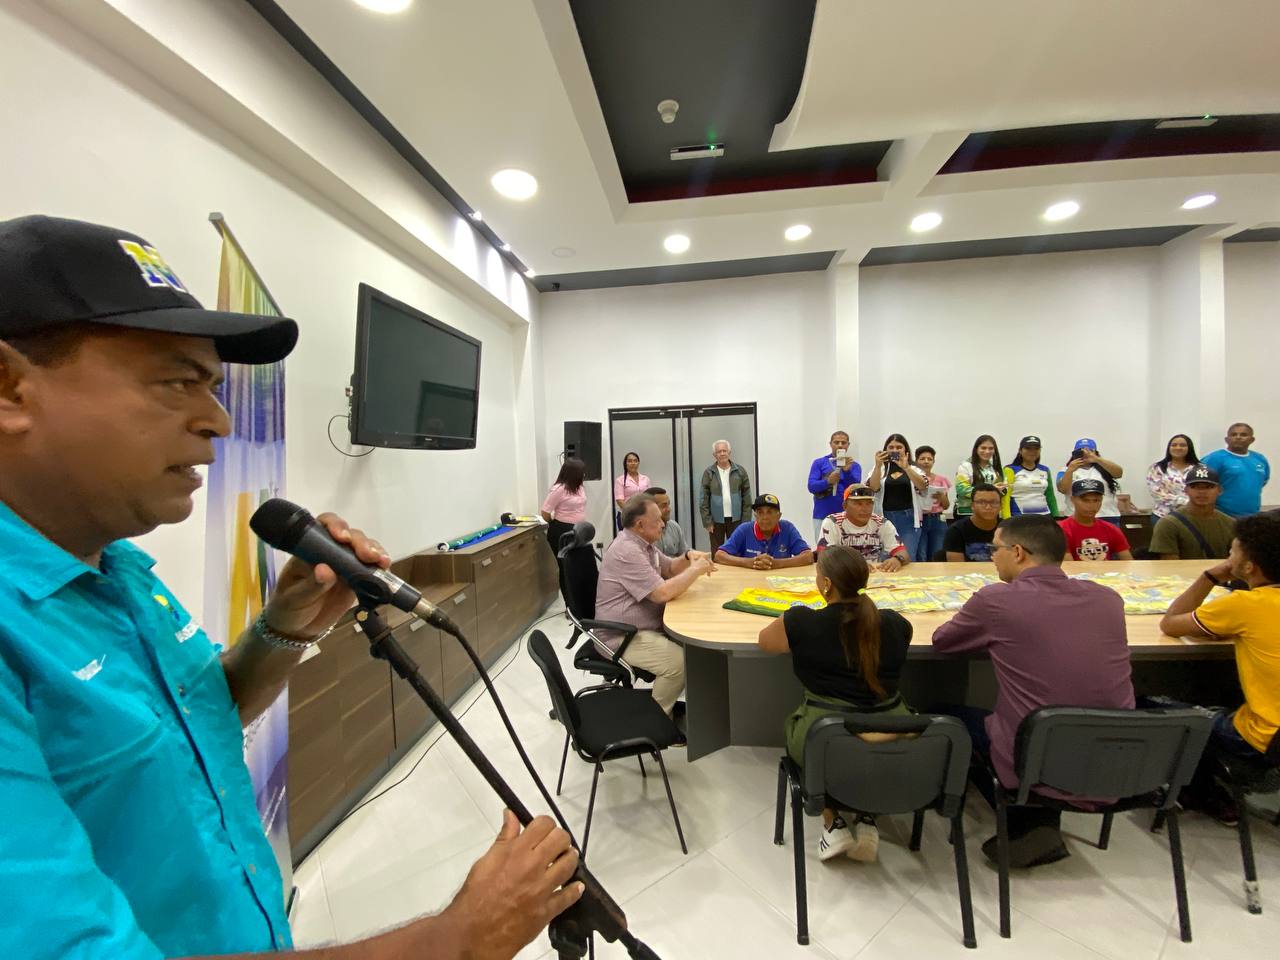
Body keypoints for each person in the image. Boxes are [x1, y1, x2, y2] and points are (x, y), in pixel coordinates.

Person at [0, 215, 582, 960]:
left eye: (214, 384)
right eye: (177, 380)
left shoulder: (120, 571)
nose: (216, 418)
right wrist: (454, 942)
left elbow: (195, 723)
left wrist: (286, 625)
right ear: (9, 388)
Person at [932, 516, 1134, 867]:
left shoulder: (997, 600)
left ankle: (1024, 815)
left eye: (996, 549)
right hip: (1117, 762)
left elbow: (942, 643)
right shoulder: (1108, 599)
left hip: (1036, 755)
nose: (992, 557)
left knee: (946, 713)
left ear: (1019, 553)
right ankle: (1037, 819)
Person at [757, 546, 913, 863]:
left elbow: (766, 643)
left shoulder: (801, 621)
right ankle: (868, 816)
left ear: (825, 584)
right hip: (893, 730)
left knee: (809, 737)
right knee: (867, 752)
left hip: (826, 735)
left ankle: (833, 821)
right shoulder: (896, 624)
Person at [1156, 512, 1280, 824]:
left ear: (1248, 566)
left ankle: (1203, 794)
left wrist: (1209, 576)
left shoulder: (1245, 605)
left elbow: (1171, 623)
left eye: (1232, 551)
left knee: (1164, 709)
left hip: (1265, 737)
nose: (1228, 556)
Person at [595, 494, 716, 715]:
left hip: (643, 627)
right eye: (658, 519)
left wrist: (689, 556)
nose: (663, 523)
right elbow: (661, 593)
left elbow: (669, 568)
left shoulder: (643, 544)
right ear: (640, 524)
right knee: (678, 664)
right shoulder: (627, 550)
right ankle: (656, 720)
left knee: (696, 648)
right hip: (621, 636)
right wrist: (695, 570)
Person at [865, 433, 929, 562]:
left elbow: (923, 486)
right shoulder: (881, 468)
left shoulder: (914, 468)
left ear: (905, 450)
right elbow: (873, 488)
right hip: (884, 518)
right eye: (891, 447)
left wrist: (906, 467)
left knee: (907, 557)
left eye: (899, 447)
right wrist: (878, 465)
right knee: (884, 558)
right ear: (885, 449)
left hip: (908, 519)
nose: (894, 450)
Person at [1148, 465, 1236, 560]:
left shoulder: (1230, 524)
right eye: (1194, 487)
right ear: (1186, 490)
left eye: (1208, 487)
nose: (1201, 491)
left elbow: (1235, 562)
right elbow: (1169, 566)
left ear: (1219, 490)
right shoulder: (1169, 524)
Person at [817, 485, 910, 572]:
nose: (865, 509)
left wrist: (897, 559)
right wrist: (855, 565)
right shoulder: (833, 522)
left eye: (869, 503)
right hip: (844, 575)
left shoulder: (881, 523)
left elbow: (902, 552)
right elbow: (824, 556)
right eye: (858, 504)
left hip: (874, 574)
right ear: (845, 506)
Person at [715, 494, 813, 569]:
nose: (765, 517)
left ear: (779, 516)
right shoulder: (744, 529)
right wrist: (751, 562)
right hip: (749, 583)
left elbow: (808, 556)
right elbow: (719, 556)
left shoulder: (787, 528)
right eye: (760, 512)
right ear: (755, 516)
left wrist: (775, 564)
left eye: (769, 512)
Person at [541, 457, 587, 602]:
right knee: (567, 568)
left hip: (578, 531)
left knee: (579, 567)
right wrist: (555, 524)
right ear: (572, 473)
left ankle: (580, 600)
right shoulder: (559, 489)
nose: (584, 475)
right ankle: (570, 605)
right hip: (562, 531)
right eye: (581, 472)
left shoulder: (579, 487)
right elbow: (545, 512)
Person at [1203, 422, 1271, 518]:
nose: (1238, 437)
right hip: (1221, 515)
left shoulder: (1260, 459)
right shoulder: (1215, 458)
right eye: (1233, 434)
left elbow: (1263, 482)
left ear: (1252, 440)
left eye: (1243, 435)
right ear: (1227, 439)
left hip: (1252, 516)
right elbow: (1201, 485)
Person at [807, 430, 862, 544]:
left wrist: (847, 473)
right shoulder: (819, 463)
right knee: (823, 551)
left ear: (848, 445)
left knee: (847, 550)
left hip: (847, 516)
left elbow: (855, 490)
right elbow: (811, 486)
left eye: (843, 442)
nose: (840, 445)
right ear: (830, 444)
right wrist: (827, 482)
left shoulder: (854, 466)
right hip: (822, 515)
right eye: (836, 442)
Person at [1058, 478, 1133, 560]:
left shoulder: (1111, 529)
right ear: (1072, 500)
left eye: (1096, 500)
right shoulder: (1061, 530)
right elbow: (1068, 566)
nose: (1091, 505)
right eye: (1085, 500)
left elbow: (1128, 562)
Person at [699, 439, 752, 553]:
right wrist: (707, 521)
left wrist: (746, 521)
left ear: (729, 452)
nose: (722, 453)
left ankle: (737, 570)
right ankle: (718, 571)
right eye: (719, 451)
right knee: (717, 551)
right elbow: (703, 499)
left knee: (737, 549)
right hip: (716, 520)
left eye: (724, 450)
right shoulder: (709, 473)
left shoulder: (740, 471)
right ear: (714, 455)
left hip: (736, 519)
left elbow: (747, 497)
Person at [1056, 438, 1125, 524]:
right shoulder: (1065, 470)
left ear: (1096, 452)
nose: (1085, 454)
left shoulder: (1105, 467)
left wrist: (1097, 459)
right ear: (1074, 454)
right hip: (1075, 517)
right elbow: (1063, 489)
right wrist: (1070, 470)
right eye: (1081, 452)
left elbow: (1119, 473)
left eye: (1090, 451)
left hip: (1106, 515)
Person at [1002, 435, 1060, 518]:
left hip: (1045, 517)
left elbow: (1050, 497)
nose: (1032, 451)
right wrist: (1006, 520)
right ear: (1020, 450)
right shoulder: (1010, 470)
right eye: (1028, 448)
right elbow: (1005, 498)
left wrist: (1056, 517)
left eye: (1036, 448)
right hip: (1019, 518)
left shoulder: (1045, 470)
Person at [944, 483, 1002, 562]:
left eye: (994, 502)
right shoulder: (956, 531)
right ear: (972, 506)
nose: (988, 507)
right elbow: (956, 568)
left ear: (1000, 506)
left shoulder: (1008, 529)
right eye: (982, 502)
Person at [1146, 433, 1200, 519]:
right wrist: (1185, 502)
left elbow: (1203, 490)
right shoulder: (1157, 468)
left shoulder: (1200, 468)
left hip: (1194, 516)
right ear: (1169, 448)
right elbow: (1157, 493)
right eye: (1174, 445)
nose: (1178, 448)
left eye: (1182, 445)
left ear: (1189, 448)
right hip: (1164, 516)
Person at [914, 445, 952, 561]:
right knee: (921, 554)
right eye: (922, 458)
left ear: (934, 461)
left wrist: (941, 497)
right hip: (920, 520)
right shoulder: (912, 479)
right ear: (916, 461)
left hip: (937, 519)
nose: (926, 462)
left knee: (937, 554)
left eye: (929, 459)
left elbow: (946, 506)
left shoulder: (941, 480)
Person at [954, 434, 1005, 518]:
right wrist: (991, 490)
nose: (987, 451)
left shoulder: (995, 468)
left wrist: (1002, 489)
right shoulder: (965, 466)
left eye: (991, 448)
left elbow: (1002, 489)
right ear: (976, 449)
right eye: (983, 448)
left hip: (990, 512)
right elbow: (962, 489)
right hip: (968, 512)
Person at [646, 485, 689, 559]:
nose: (669, 509)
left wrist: (697, 556)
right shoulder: (644, 533)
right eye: (664, 506)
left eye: (668, 504)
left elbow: (685, 552)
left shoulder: (674, 526)